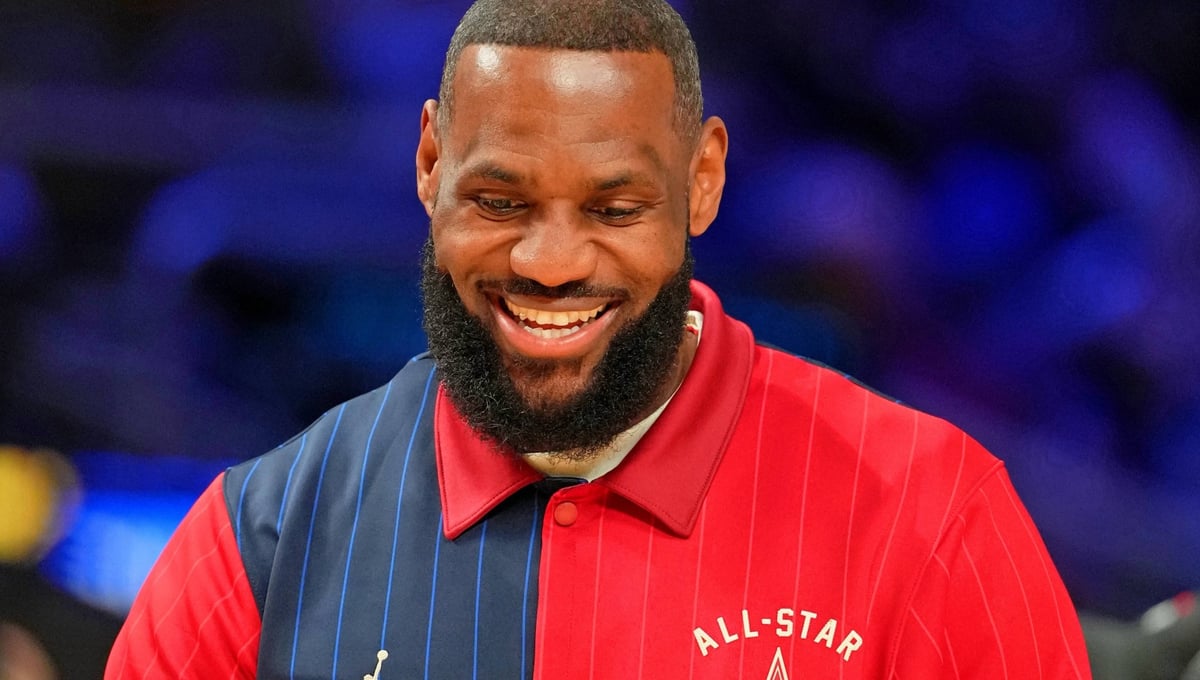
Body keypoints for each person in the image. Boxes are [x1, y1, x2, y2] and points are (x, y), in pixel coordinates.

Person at [104, 0, 1092, 677]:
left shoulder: (931, 517)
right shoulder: (260, 539)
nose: (550, 261)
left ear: (702, 181)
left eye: (615, 208)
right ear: (430, 164)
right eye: (500, 200)